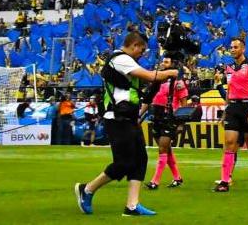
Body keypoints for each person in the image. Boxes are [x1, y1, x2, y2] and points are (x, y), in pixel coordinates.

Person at [74, 32, 179, 216]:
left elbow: (140, 88)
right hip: (116, 118)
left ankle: (132, 206)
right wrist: (169, 72)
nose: (142, 54)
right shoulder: (121, 59)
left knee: (140, 159)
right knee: (123, 163)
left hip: (127, 117)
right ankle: (88, 189)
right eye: (142, 50)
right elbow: (147, 75)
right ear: (135, 45)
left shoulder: (123, 60)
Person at [215, 38, 248, 192]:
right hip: (233, 107)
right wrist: (225, 109)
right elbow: (229, 90)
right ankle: (224, 181)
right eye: (231, 47)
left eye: (236, 47)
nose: (232, 50)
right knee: (229, 143)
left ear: (243, 49)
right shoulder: (229, 67)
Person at [140, 57, 188, 189]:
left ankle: (155, 181)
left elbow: (184, 104)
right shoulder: (157, 79)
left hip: (170, 116)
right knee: (167, 150)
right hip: (156, 116)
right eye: (163, 61)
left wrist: (181, 123)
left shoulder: (178, 82)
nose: (163, 63)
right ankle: (177, 178)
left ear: (173, 64)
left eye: (166, 62)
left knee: (162, 148)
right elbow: (149, 98)